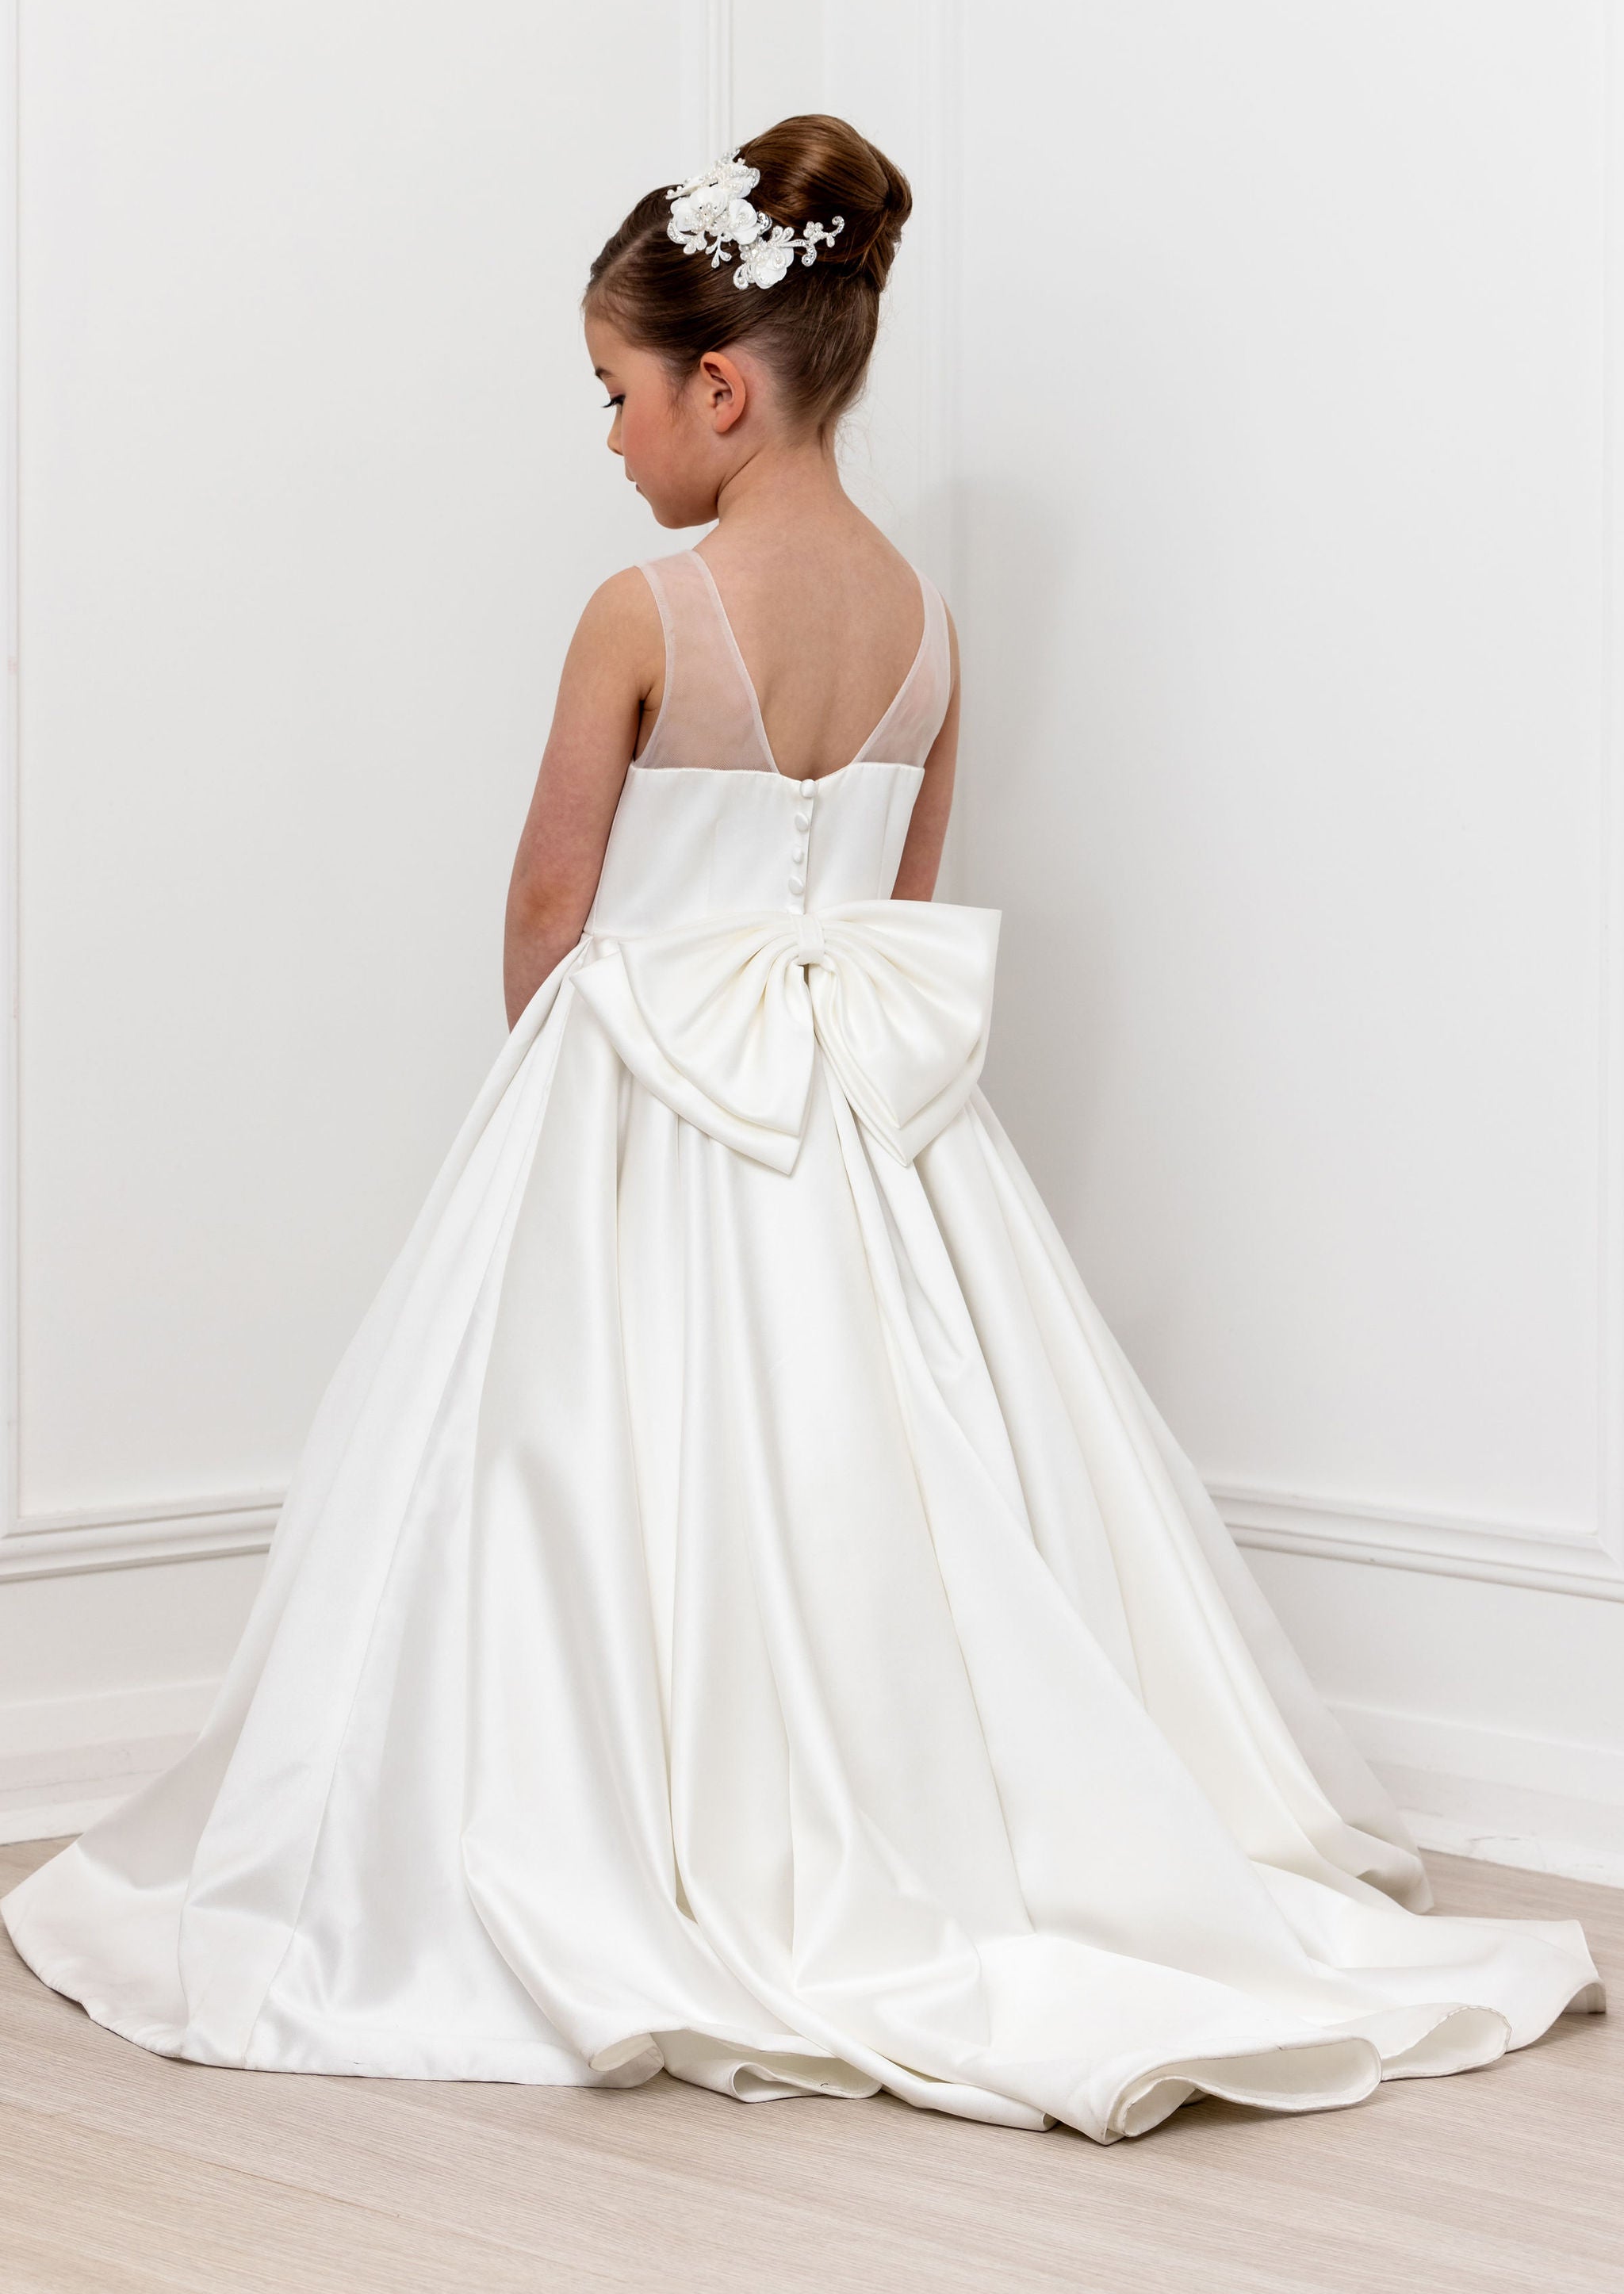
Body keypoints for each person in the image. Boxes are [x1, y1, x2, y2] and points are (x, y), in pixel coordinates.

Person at [2, 115, 1602, 2143]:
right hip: (875, 1130)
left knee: (593, 1499)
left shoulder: (643, 611)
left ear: (721, 391)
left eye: (613, 392)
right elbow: (903, 911)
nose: (606, 439)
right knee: (898, 1493)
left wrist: (563, 1115)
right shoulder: (927, 625)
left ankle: (648, 1838)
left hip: (649, 1094)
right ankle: (925, 1826)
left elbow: (546, 911)